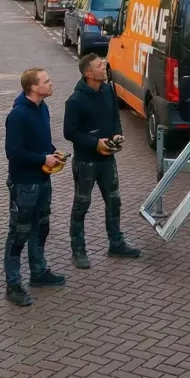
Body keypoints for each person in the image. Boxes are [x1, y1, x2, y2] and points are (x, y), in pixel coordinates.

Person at [63, 52, 141, 268]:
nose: (104, 65)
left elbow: (115, 116)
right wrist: (95, 142)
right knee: (82, 205)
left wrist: (117, 133)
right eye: (99, 65)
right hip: (86, 162)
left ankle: (116, 243)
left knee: (114, 201)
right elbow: (70, 132)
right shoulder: (76, 100)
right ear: (89, 73)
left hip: (108, 160)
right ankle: (78, 250)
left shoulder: (107, 90)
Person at [4, 67, 66, 306]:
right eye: (47, 81)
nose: (51, 84)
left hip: (42, 181)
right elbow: (14, 152)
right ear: (34, 88)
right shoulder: (18, 115)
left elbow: (41, 141)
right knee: (18, 234)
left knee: (41, 227)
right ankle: (13, 284)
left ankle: (38, 272)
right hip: (24, 185)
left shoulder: (43, 108)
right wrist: (42, 159)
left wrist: (52, 152)